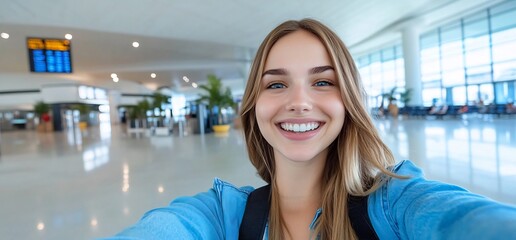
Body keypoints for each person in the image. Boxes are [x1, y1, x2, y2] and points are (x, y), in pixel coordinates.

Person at [104, 19, 516, 239]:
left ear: (349, 100)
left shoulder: (396, 205)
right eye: (276, 84)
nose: (298, 101)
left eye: (322, 81)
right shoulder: (220, 216)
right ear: (254, 106)